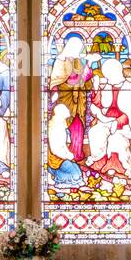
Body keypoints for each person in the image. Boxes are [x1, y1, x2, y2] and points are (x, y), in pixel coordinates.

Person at [48, 32, 96, 162]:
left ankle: (76, 154)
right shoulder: (60, 61)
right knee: (60, 126)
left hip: (78, 99)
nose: (78, 51)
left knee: (78, 126)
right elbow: (57, 80)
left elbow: (83, 81)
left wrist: (89, 64)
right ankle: (60, 154)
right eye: (77, 48)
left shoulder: (77, 61)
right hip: (65, 98)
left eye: (80, 48)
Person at [46, 102, 84, 188]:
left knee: (78, 171)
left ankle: (59, 176)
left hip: (63, 156)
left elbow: (63, 145)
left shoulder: (61, 125)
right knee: (75, 175)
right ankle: (53, 175)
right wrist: (66, 156)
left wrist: (68, 154)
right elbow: (55, 150)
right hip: (56, 159)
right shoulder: (54, 127)